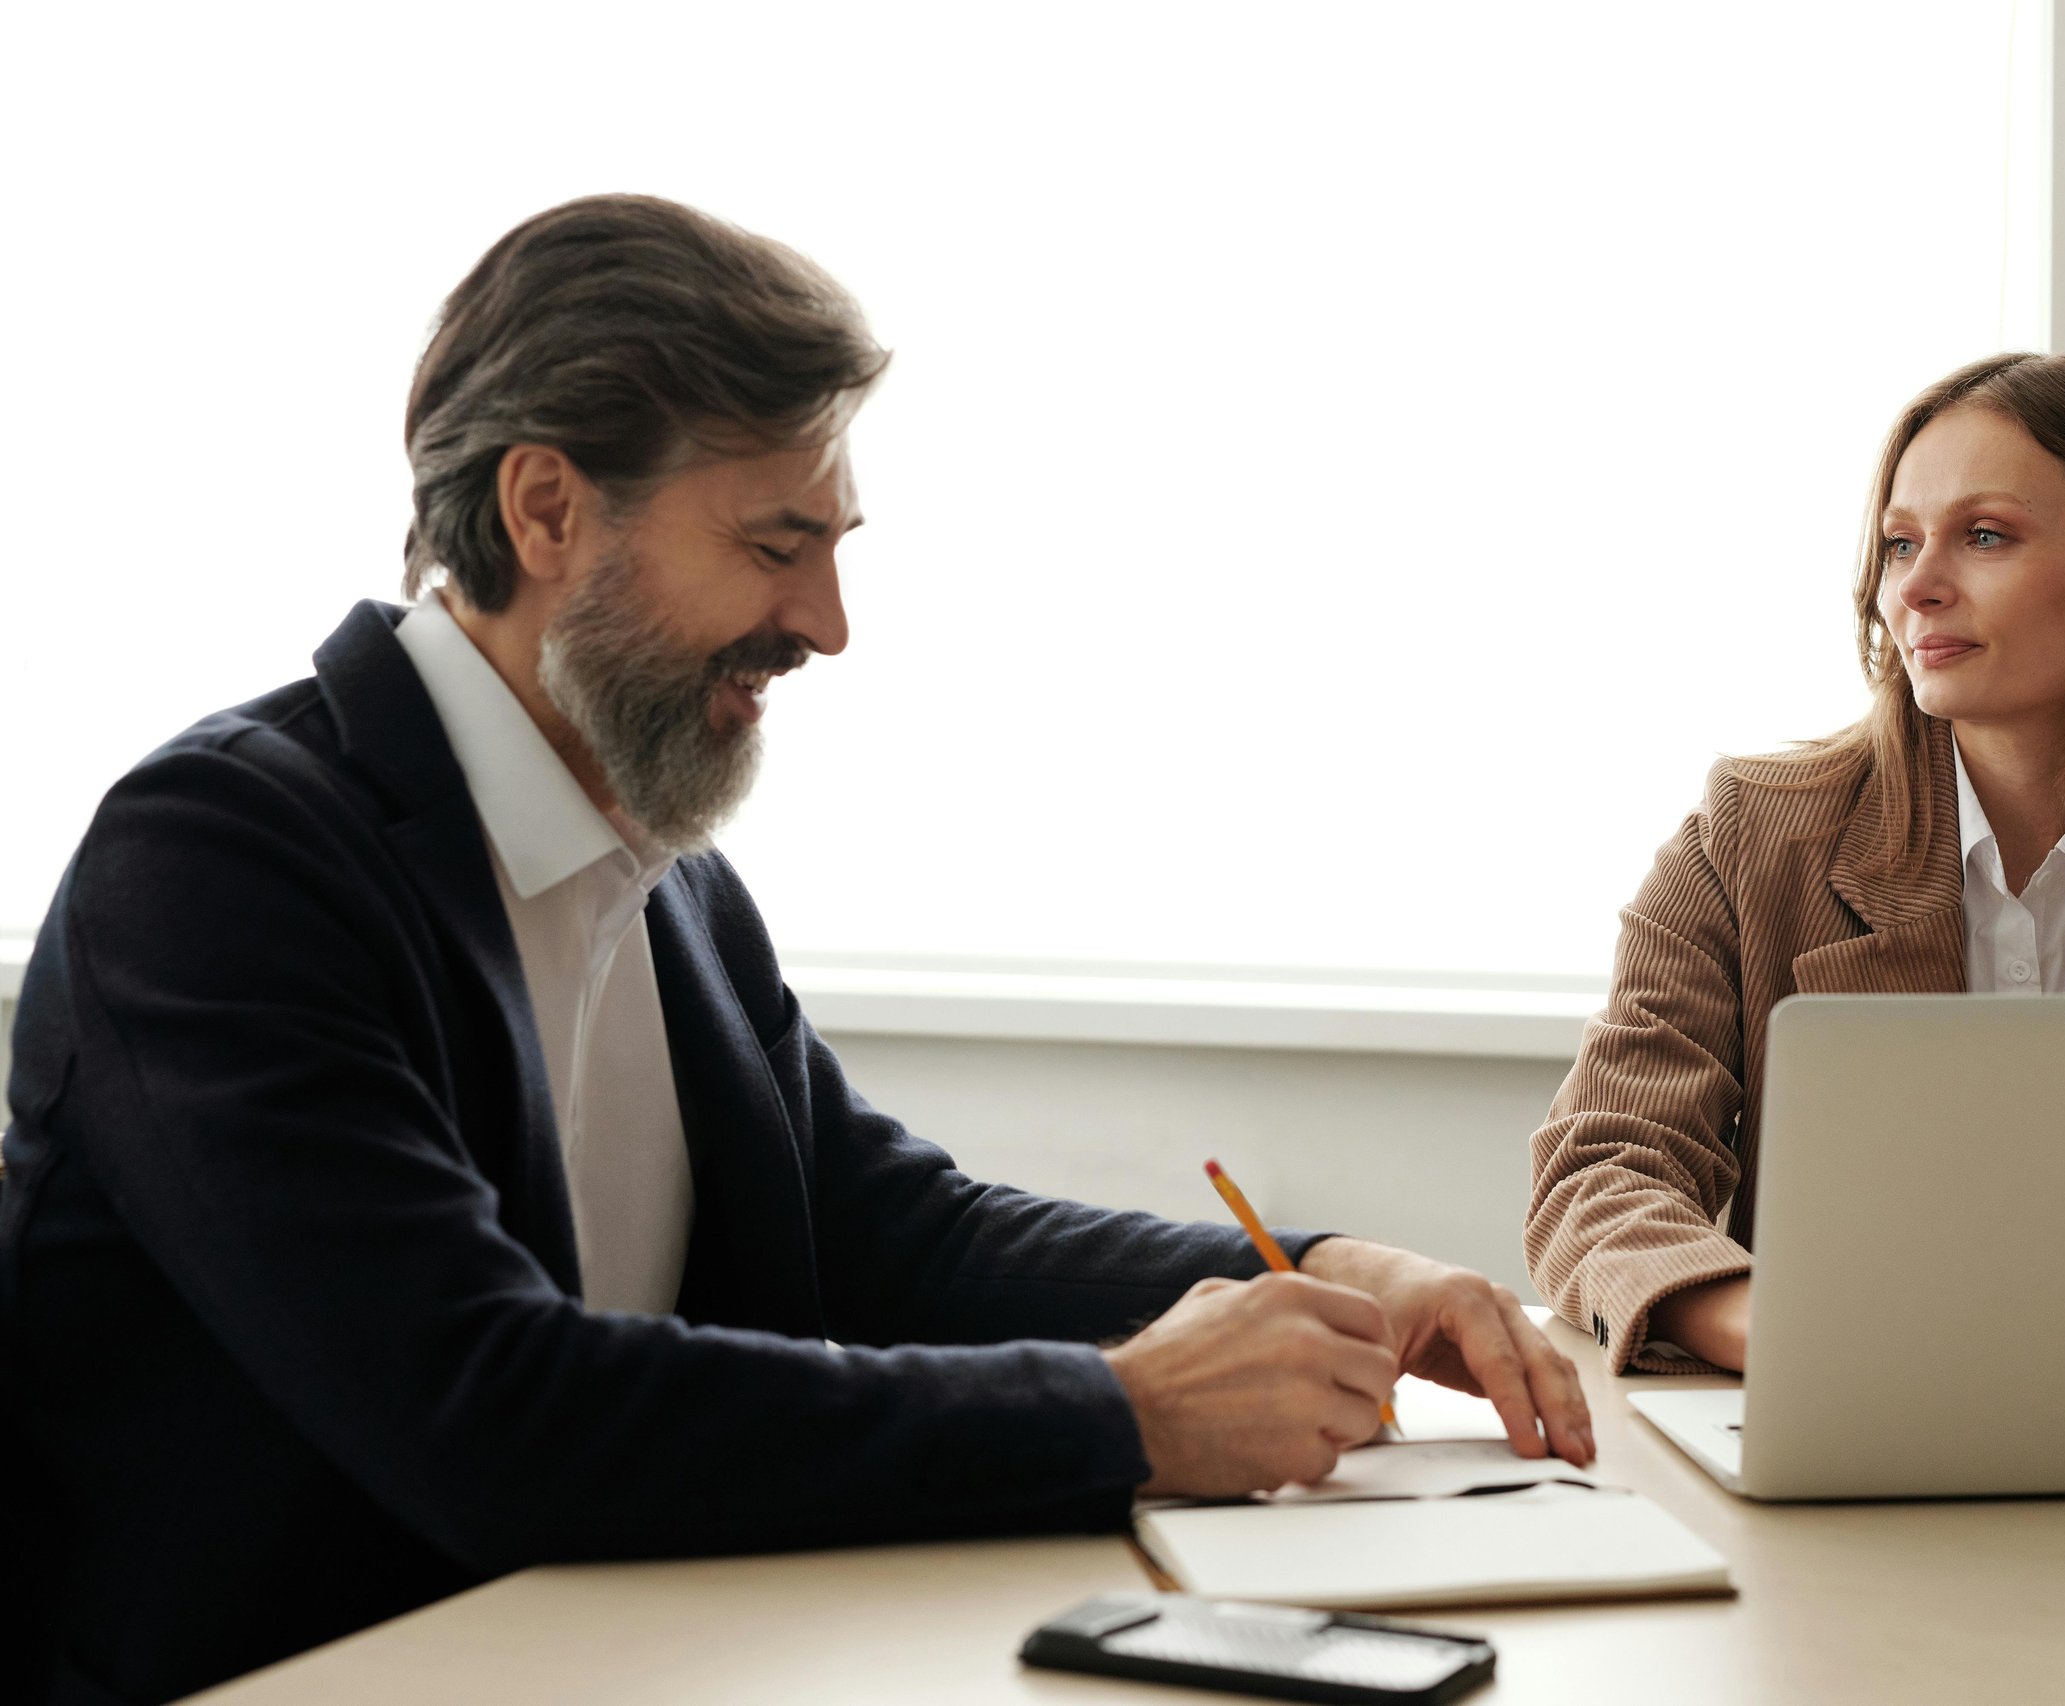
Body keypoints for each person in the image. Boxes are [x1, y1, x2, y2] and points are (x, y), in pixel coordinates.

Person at [0, 195, 1589, 1706]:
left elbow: (886, 1229)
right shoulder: (222, 861)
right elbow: (487, 1408)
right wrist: (1124, 1414)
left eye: (834, 544)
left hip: (602, 1653)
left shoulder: (659, 867)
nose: (830, 621)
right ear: (545, 508)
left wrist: (1306, 1272)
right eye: (774, 545)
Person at [1524, 352, 2065, 1378]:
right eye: (1899, 544)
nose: (1919, 587)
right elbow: (1601, 1169)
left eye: (1984, 536)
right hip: (1844, 1425)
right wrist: (1777, 1326)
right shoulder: (1749, 838)